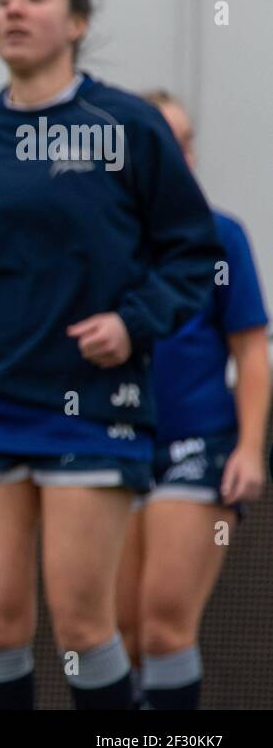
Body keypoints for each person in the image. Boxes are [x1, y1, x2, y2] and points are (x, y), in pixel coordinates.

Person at [0, 0, 223, 709]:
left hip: (93, 409)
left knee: (85, 629)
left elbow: (193, 257)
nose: (13, 6)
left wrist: (133, 322)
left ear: (77, 22)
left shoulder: (129, 126)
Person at [114, 90, 268, 709]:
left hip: (196, 445)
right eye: (159, 139)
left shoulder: (222, 237)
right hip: (114, 443)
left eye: (184, 138)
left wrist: (251, 450)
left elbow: (251, 351)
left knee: (163, 623)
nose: (176, 152)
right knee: (115, 633)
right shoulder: (105, 241)